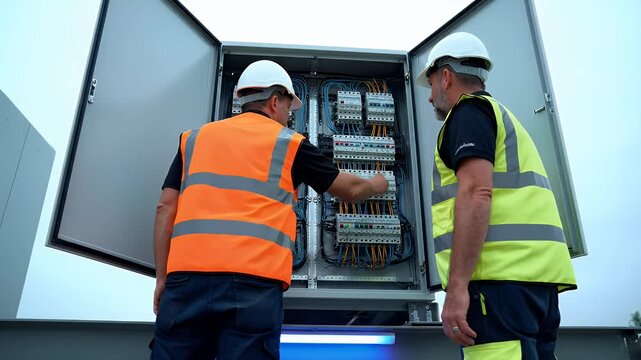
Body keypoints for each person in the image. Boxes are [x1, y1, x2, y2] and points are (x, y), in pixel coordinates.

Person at [150, 59, 388, 359]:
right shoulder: (289, 144)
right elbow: (349, 190)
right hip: (251, 287)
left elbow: (164, 208)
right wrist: (379, 183)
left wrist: (163, 279)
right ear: (275, 101)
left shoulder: (194, 139)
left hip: (186, 284)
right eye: (289, 108)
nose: (289, 117)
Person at [415, 32, 577, 359]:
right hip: (537, 285)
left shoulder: (468, 114)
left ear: (445, 77)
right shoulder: (502, 116)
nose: (430, 98)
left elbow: (477, 192)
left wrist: (458, 287)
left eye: (431, 84)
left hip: (496, 286)